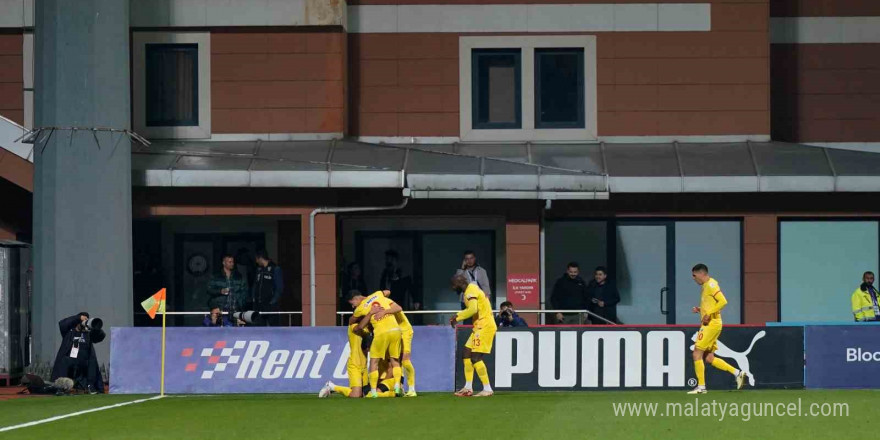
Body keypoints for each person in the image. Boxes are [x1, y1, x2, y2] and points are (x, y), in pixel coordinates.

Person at [688, 264, 748, 394]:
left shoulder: (711, 285)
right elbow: (712, 305)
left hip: (711, 325)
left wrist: (708, 314)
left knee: (696, 353)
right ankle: (737, 373)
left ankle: (701, 387)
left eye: (694, 275)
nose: (693, 278)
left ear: (701, 273)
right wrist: (701, 310)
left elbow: (723, 301)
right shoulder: (706, 286)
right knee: (709, 358)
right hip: (713, 323)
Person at [450, 274, 497, 397]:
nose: (453, 288)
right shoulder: (471, 290)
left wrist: (457, 316)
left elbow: (473, 310)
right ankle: (468, 387)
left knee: (475, 357)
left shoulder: (471, 290)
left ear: (460, 283)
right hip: (478, 327)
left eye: (454, 285)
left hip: (484, 326)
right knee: (466, 353)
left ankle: (487, 389)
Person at [353, 291, 404, 398]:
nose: (353, 306)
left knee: (374, 362)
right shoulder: (379, 295)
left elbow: (357, 324)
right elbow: (396, 304)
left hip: (381, 333)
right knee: (395, 360)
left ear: (356, 299)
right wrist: (385, 311)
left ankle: (373, 391)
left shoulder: (360, 309)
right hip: (396, 331)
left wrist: (371, 313)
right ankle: (397, 386)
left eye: (352, 303)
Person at [50, 313, 105, 394]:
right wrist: (78, 318)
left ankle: (89, 387)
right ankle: (62, 388)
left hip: (84, 362)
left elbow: (101, 337)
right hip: (69, 362)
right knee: (64, 364)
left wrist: (94, 327)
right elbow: (62, 323)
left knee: (91, 365)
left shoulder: (88, 334)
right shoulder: (69, 332)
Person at [382, 289, 418, 396]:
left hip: (405, 331)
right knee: (397, 360)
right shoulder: (375, 306)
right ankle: (401, 386)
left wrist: (384, 311)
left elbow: (398, 307)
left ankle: (412, 389)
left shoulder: (387, 302)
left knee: (405, 360)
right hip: (394, 332)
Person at [250, 250, 284, 326]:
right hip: (258, 305)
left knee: (274, 329)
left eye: (256, 259)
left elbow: (279, 289)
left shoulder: (275, 269)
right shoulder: (259, 269)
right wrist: (253, 298)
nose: (256, 261)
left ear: (260, 258)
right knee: (259, 329)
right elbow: (255, 285)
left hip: (270, 306)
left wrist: (272, 302)